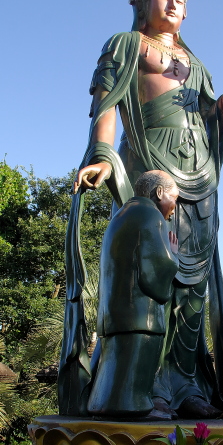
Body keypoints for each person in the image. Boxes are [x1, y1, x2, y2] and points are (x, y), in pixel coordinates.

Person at [58, 0, 223, 418]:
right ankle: (146, 384)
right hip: (151, 167)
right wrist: (103, 157)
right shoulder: (125, 45)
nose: (174, 4)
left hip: (200, 176)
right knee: (152, 278)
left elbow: (215, 119)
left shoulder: (196, 62)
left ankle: (187, 385)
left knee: (194, 285)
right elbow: (107, 106)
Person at [87, 171, 179, 419]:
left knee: (115, 369)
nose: (174, 209)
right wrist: (174, 255)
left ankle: (103, 404)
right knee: (135, 368)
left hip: (113, 314)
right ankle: (135, 407)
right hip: (139, 314)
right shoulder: (151, 215)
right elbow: (156, 266)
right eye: (174, 199)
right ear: (159, 192)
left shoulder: (121, 216)